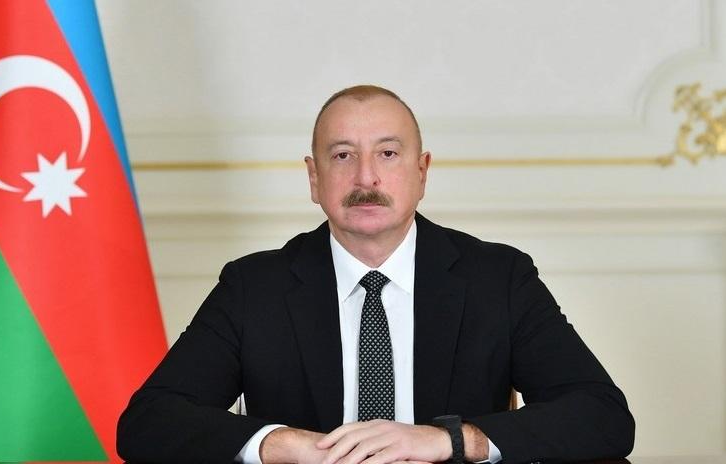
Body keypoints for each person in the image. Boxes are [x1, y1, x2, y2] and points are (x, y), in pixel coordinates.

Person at [117, 85, 635, 463]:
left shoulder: (498, 278)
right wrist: (287, 445)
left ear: (422, 171)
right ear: (314, 178)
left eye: (387, 154)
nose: (366, 177)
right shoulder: (254, 287)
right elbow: (148, 422)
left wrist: (451, 441)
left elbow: (602, 415)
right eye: (343, 156)